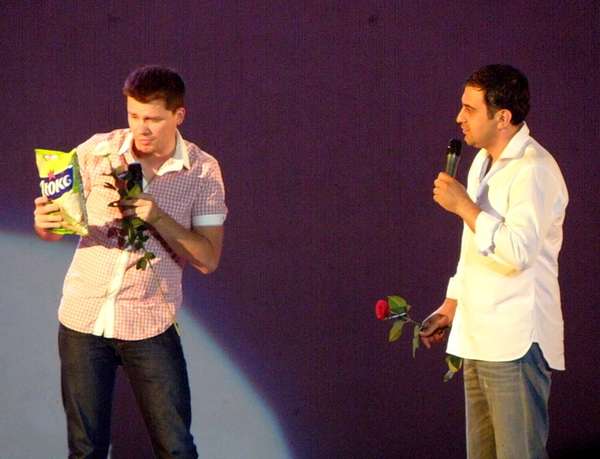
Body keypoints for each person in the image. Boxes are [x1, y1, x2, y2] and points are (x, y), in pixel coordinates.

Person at [33, 65, 227, 458]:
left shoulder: (203, 171)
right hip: (84, 318)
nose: (141, 128)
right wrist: (45, 224)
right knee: (85, 449)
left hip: (149, 321)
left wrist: (158, 217)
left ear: (178, 115)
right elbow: (58, 228)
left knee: (176, 447)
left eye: (153, 119)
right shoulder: (98, 152)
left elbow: (208, 259)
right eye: (134, 115)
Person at [420, 64, 568, 459]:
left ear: (502, 117)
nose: (459, 117)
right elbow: (473, 248)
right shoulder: (482, 163)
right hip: (480, 337)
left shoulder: (534, 170)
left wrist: (464, 206)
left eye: (470, 109)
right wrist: (451, 304)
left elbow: (518, 251)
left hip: (515, 342)